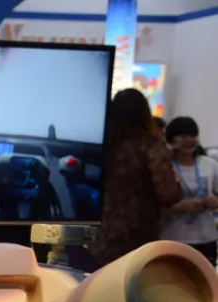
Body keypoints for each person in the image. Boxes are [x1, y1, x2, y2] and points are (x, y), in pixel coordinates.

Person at [82, 89, 183, 270]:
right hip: (138, 235)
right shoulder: (151, 146)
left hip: (101, 234)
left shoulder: (105, 145)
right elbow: (168, 193)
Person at [160, 117, 218, 266]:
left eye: (193, 136)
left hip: (206, 237)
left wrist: (214, 201)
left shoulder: (209, 164)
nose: (189, 140)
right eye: (183, 136)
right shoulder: (165, 166)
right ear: (172, 139)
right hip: (172, 236)